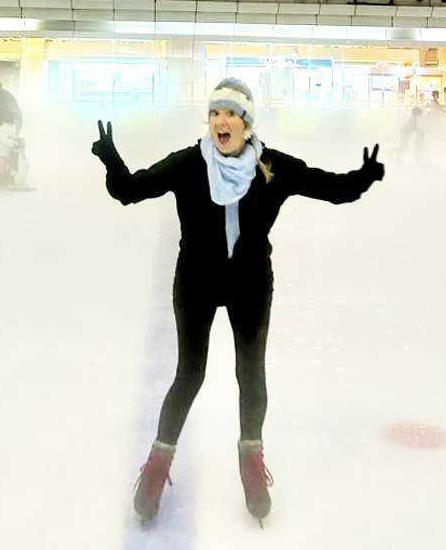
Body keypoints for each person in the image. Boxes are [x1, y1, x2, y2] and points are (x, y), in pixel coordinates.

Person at [91, 77, 385, 526]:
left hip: (250, 283)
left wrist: (363, 178)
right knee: (189, 375)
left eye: (230, 113)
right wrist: (112, 159)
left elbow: (330, 188)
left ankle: (251, 460)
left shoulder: (271, 167)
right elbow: (131, 190)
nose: (221, 121)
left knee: (251, 373)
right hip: (196, 282)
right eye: (214, 113)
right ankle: (156, 465)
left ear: (247, 123)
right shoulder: (190, 164)